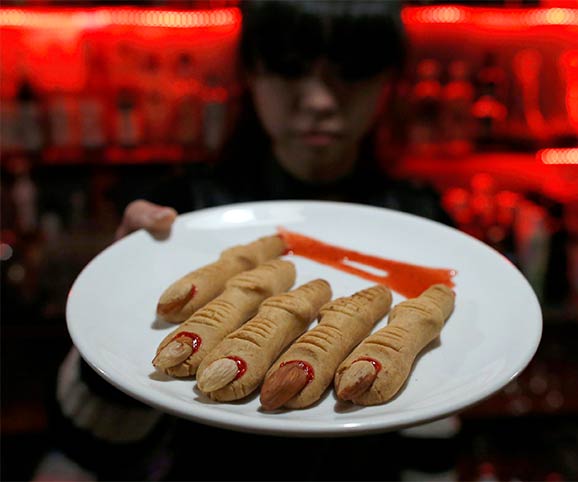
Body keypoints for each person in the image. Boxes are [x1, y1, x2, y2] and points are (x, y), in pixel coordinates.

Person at [34, 1, 460, 481]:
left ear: (388, 81)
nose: (319, 100)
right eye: (288, 69)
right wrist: (116, 318)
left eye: (353, 71)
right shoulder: (184, 213)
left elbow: (435, 417)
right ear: (252, 74)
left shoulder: (425, 224)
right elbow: (91, 450)